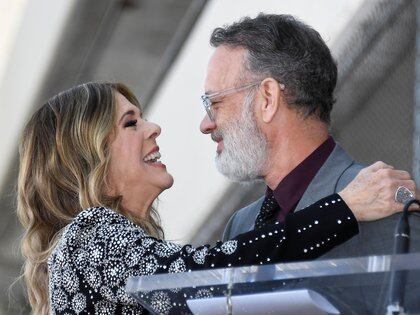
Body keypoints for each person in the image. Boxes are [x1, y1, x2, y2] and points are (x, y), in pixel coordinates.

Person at [17, 82, 414, 314]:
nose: (154, 128)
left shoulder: (99, 247)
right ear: (90, 156)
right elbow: (204, 276)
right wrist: (343, 209)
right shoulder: (89, 237)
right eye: (131, 123)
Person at [199, 14, 420, 257]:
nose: (205, 124)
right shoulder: (240, 225)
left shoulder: (387, 205)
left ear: (268, 98)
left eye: (214, 102)